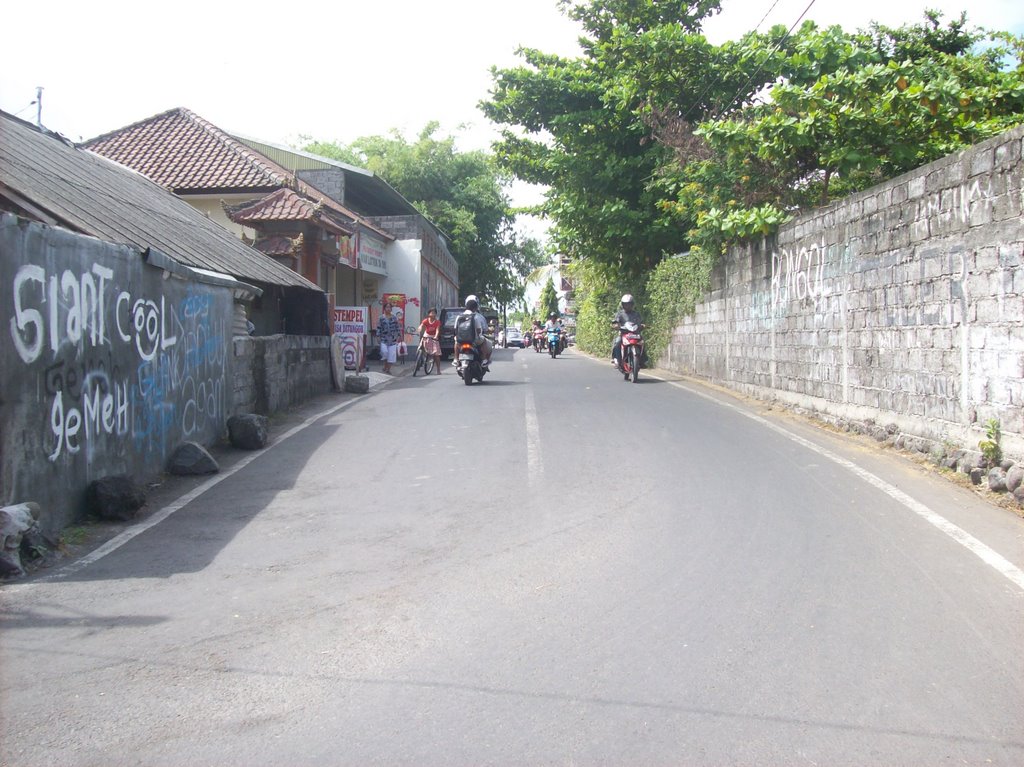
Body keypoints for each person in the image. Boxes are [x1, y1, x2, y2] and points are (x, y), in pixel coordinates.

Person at [453, 295, 492, 368]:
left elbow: (455, 329)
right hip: (474, 340)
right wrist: (478, 336)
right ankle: (484, 360)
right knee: (483, 340)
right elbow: (479, 329)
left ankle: (455, 359)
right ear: (475, 307)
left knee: (456, 342)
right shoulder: (476, 317)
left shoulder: (459, 316)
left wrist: (457, 337)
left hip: (460, 340)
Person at [612, 293, 643, 366]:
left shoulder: (636, 314)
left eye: (629, 304)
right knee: (617, 342)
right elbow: (615, 322)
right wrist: (616, 325)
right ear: (622, 305)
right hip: (623, 334)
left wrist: (642, 325)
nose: (627, 306)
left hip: (635, 334)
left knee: (641, 342)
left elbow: (641, 322)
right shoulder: (620, 314)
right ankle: (616, 359)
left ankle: (642, 360)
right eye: (625, 304)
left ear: (632, 304)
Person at [377, 300, 402, 374]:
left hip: (393, 339)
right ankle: (385, 366)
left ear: (391, 309)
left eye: (389, 307)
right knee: (384, 352)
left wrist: (399, 336)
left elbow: (397, 327)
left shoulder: (394, 318)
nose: (388, 308)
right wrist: (378, 337)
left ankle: (388, 369)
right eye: (387, 307)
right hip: (384, 338)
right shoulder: (381, 318)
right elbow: (378, 327)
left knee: (392, 355)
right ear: (384, 308)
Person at [417, 307, 442, 375]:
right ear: (429, 314)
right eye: (431, 312)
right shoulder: (426, 320)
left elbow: (437, 330)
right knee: (420, 349)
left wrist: (436, 336)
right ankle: (418, 362)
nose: (433, 314)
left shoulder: (437, 322)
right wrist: (419, 328)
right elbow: (421, 325)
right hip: (426, 336)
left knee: (436, 354)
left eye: (434, 312)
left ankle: (438, 369)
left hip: (433, 337)